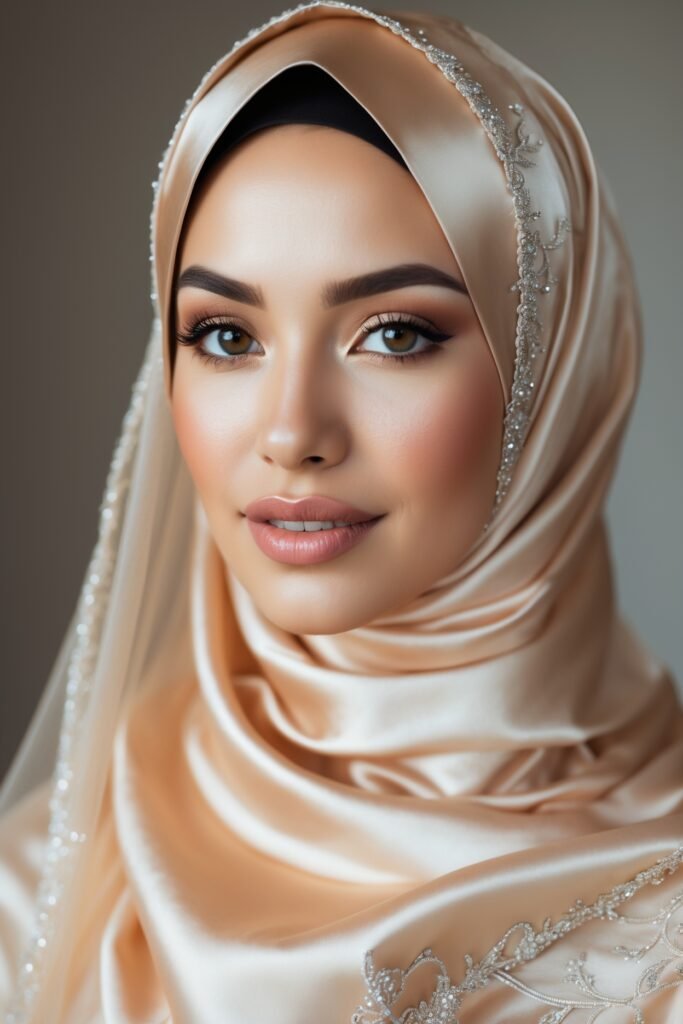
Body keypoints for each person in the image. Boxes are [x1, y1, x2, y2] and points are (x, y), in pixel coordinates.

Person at [1, 2, 682, 1020]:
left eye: (394, 333)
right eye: (227, 336)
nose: (291, 432)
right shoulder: (37, 890)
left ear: (555, 379)